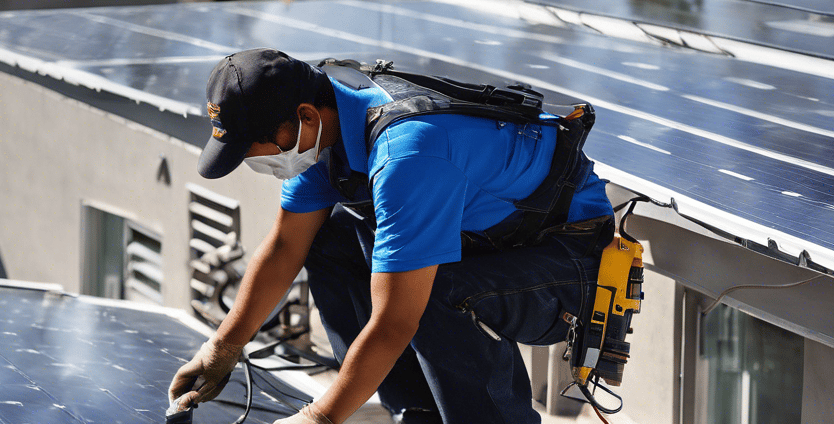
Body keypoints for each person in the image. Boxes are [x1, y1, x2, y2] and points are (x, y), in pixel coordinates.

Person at [169, 48, 615, 424]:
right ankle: (417, 413)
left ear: (303, 117)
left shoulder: (407, 155)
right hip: (488, 244)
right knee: (329, 236)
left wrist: (320, 417)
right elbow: (288, 246)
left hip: (570, 265)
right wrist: (222, 348)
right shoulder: (327, 130)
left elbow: (396, 320)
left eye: (252, 148)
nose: (252, 159)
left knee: (435, 292)